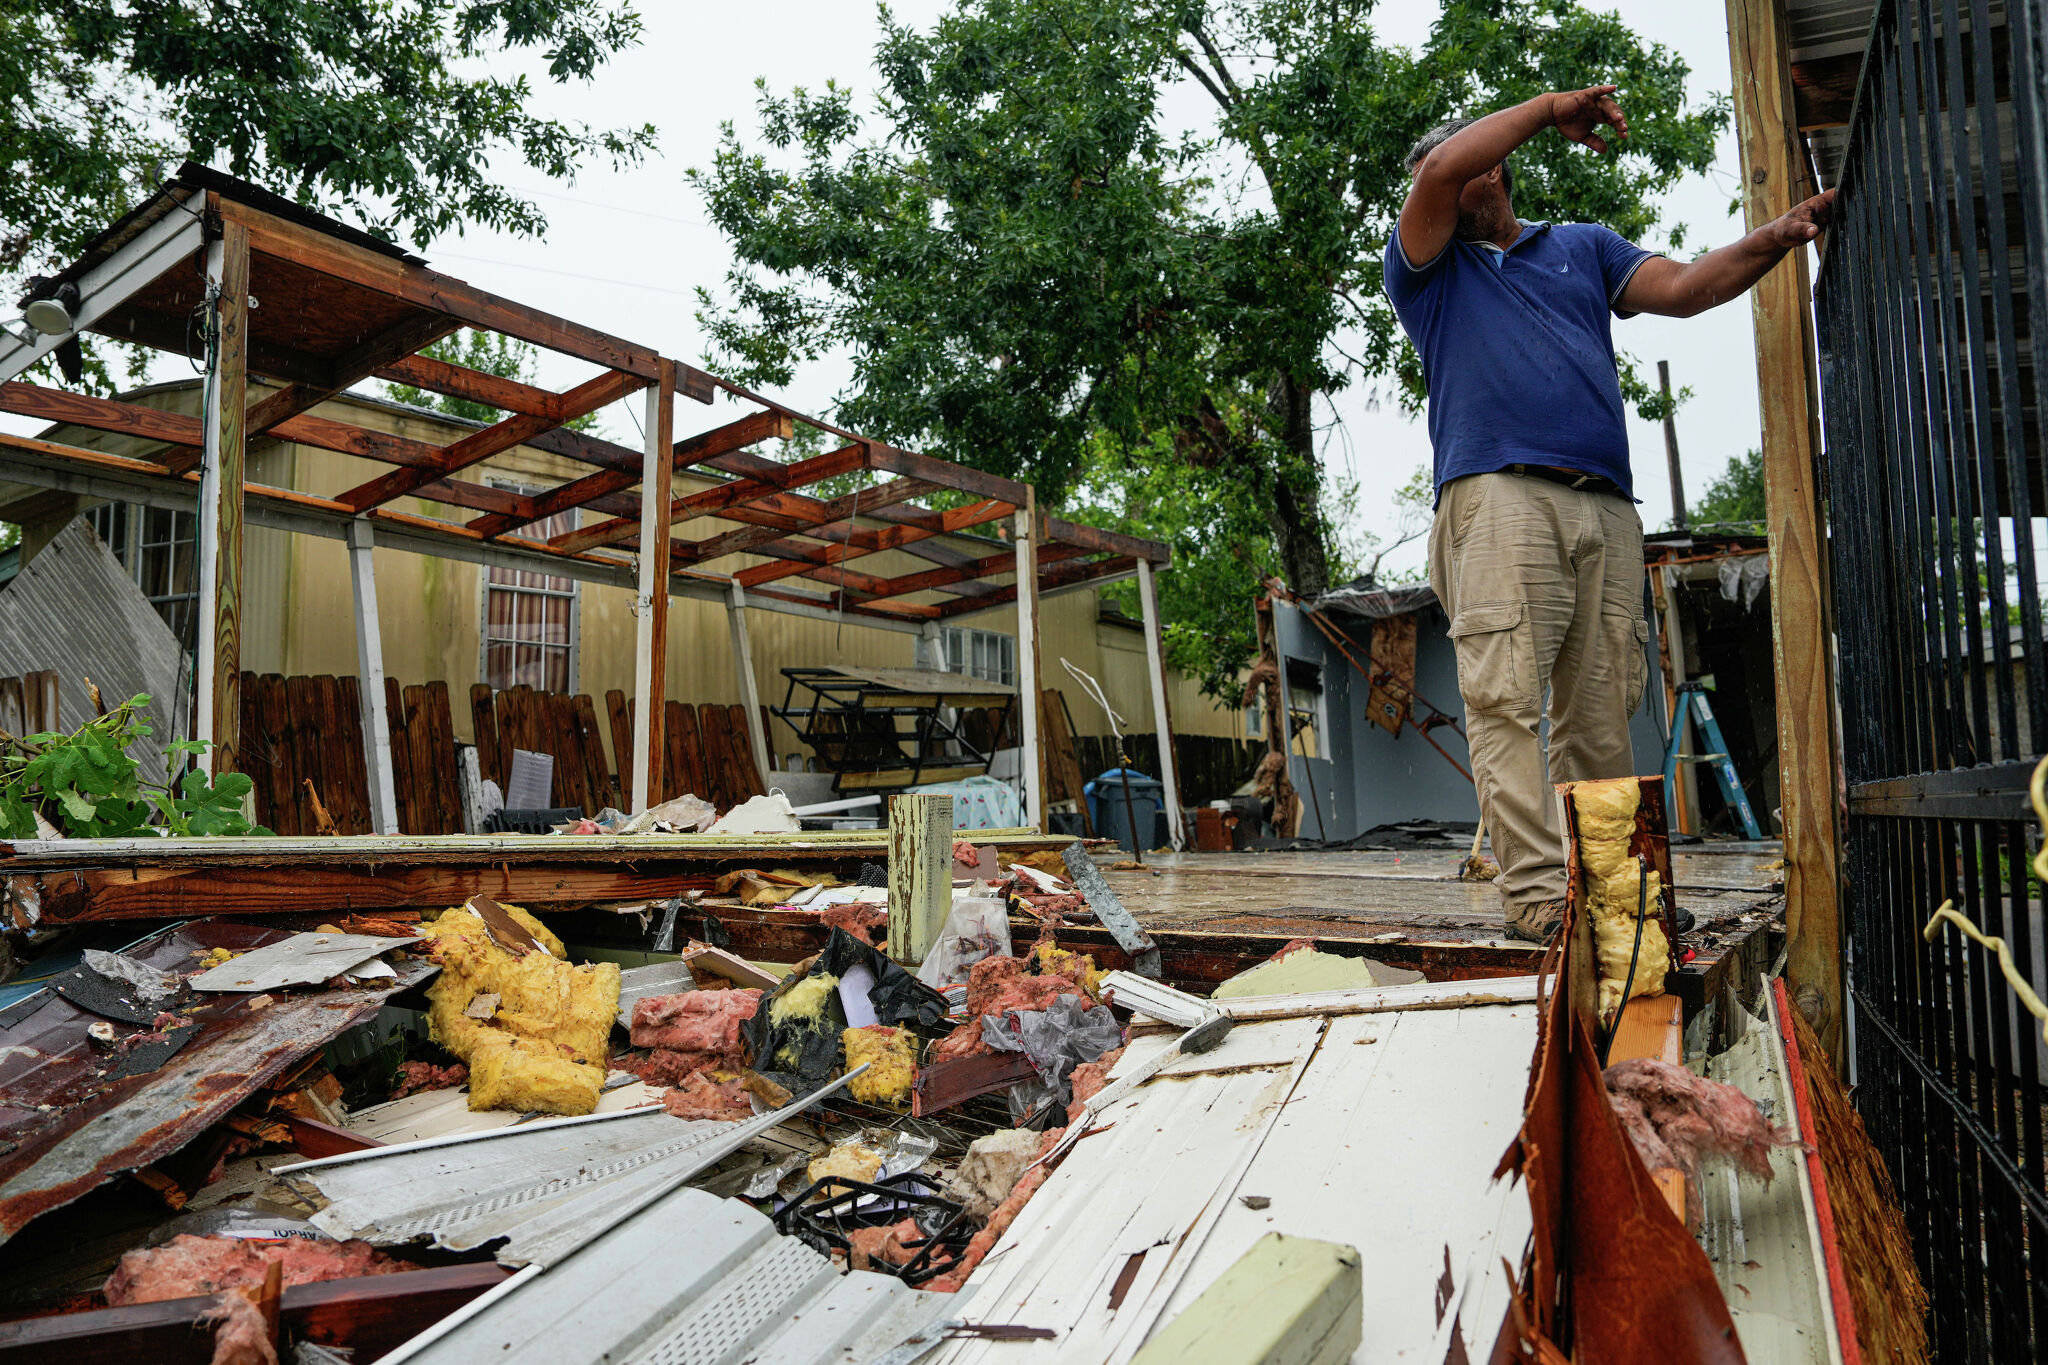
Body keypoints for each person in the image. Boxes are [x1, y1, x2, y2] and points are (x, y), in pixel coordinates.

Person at [1384, 86, 1832, 943]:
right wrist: (1553, 105)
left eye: (1457, 168)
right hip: (1497, 495)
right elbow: (1439, 166)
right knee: (1504, 699)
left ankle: (1615, 895)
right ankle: (1539, 901)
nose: (1432, 189)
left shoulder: (1581, 249)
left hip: (1606, 508)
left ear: (1499, 167)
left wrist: (1779, 234)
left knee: (1599, 716)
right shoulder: (1430, 272)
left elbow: (1693, 287)